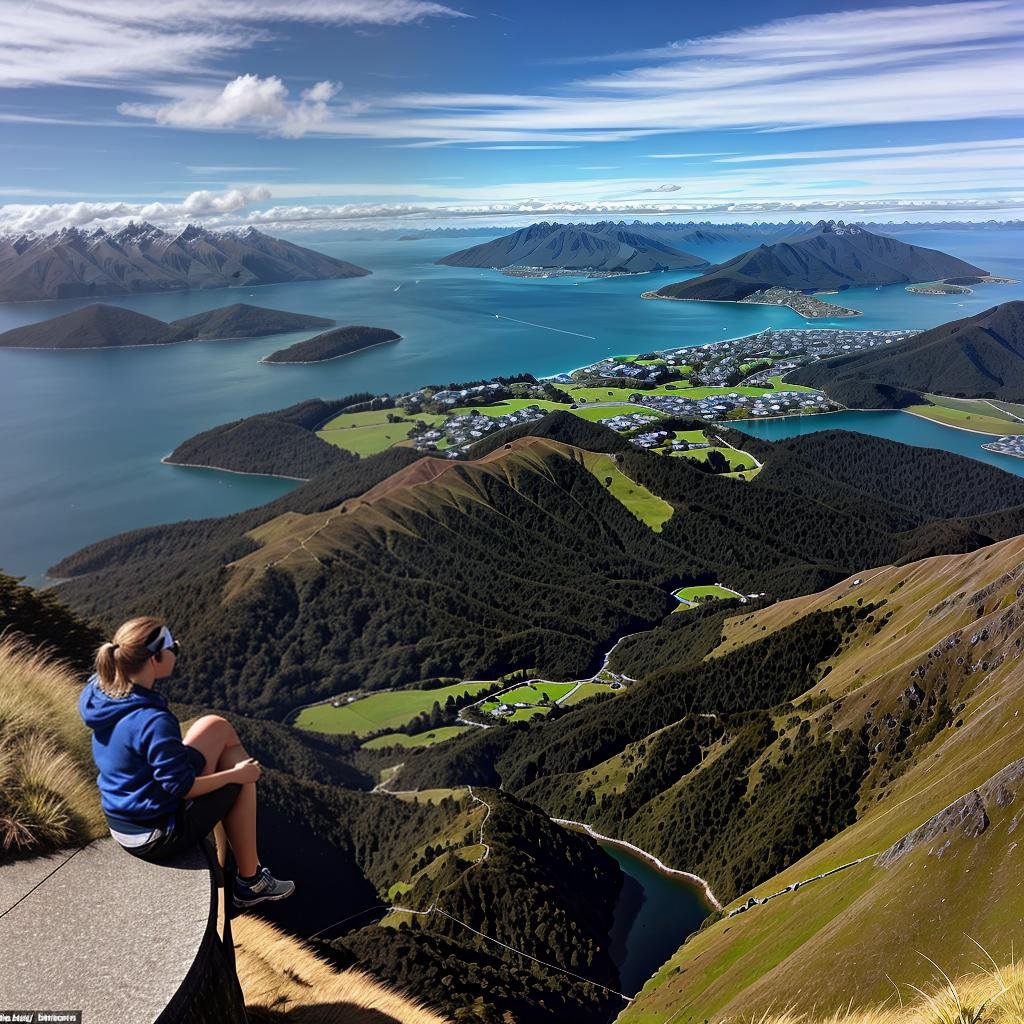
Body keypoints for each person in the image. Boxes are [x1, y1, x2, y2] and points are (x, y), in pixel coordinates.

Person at [78, 615, 295, 908]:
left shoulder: (100, 689)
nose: (177, 650)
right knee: (242, 777)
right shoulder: (152, 720)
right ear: (155, 658)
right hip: (153, 834)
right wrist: (235, 776)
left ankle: (230, 864)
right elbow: (181, 787)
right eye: (173, 648)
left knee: (217, 727)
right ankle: (250, 882)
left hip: (126, 814)